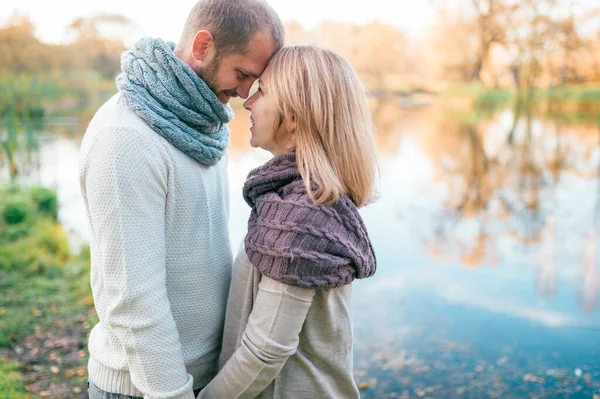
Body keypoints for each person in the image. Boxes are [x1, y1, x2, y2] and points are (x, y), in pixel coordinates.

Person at [78, 1, 283, 398]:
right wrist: (173, 393)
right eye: (242, 75)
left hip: (206, 378)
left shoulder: (202, 126)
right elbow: (133, 299)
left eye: (253, 80)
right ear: (203, 46)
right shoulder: (126, 138)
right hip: (144, 388)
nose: (244, 94)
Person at [199, 45, 379, 399]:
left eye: (262, 91)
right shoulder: (292, 198)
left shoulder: (300, 217)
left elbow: (264, 353)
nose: (247, 102)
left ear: (295, 117)